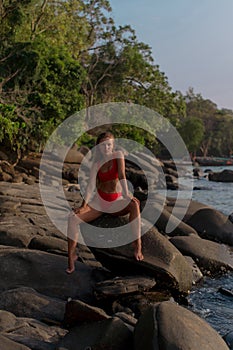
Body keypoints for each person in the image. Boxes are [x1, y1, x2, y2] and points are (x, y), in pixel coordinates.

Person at [66, 131, 144, 274]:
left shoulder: (118, 155)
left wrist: (126, 194)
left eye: (109, 144)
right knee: (72, 218)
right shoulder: (96, 164)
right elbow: (90, 187)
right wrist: (83, 206)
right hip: (99, 203)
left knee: (135, 205)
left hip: (115, 202)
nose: (106, 147)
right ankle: (71, 257)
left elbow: (121, 175)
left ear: (113, 146)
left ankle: (137, 244)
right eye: (102, 145)